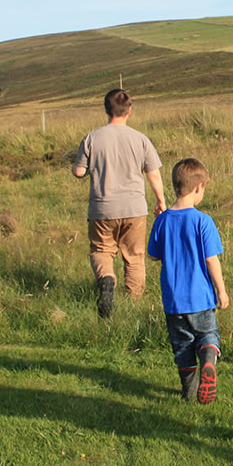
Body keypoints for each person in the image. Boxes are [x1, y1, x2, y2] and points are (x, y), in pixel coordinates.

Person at [72, 89, 166, 318]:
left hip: (102, 208)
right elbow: (153, 174)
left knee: (101, 250)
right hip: (134, 208)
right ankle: (133, 305)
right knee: (134, 257)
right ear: (129, 111)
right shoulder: (140, 139)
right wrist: (161, 201)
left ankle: (107, 278)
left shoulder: (92, 138)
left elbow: (78, 172)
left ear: (106, 109)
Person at [147, 158, 230, 404]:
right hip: (201, 298)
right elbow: (212, 260)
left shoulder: (162, 220)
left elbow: (153, 255)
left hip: (173, 301)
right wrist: (222, 291)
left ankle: (189, 392)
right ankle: (208, 360)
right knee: (208, 336)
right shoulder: (203, 221)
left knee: (182, 346)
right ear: (198, 189)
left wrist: (158, 223)